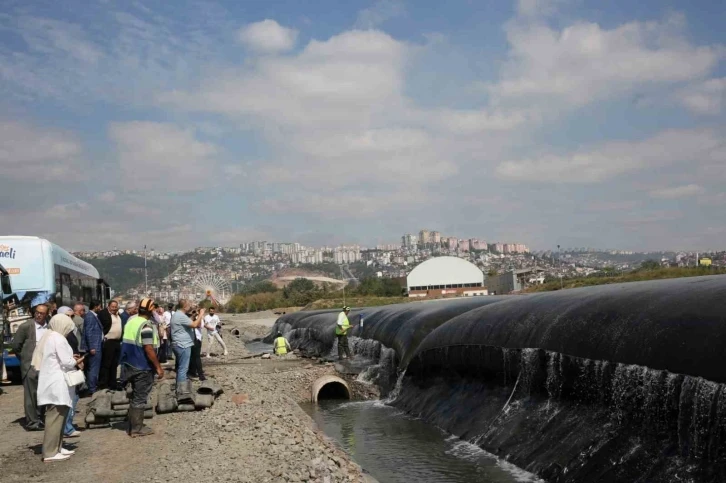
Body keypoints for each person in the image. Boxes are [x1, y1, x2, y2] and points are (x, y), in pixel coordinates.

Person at [33, 314, 84, 462]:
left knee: (60, 417)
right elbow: (67, 362)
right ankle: (50, 452)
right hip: (57, 383)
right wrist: (78, 360)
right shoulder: (59, 339)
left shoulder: (52, 336)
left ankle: (57, 447)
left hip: (55, 382)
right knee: (55, 418)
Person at [120, 298, 164, 437]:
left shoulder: (131, 322)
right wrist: (158, 367)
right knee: (140, 397)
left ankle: (133, 424)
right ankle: (137, 428)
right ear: (150, 310)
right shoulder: (146, 325)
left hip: (128, 363)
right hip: (142, 365)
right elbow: (149, 348)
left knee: (134, 396)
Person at [11, 303, 49, 430]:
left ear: (47, 314)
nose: (38, 315)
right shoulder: (26, 326)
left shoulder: (49, 327)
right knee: (31, 396)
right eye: (37, 312)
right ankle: (32, 422)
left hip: (46, 365)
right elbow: (16, 346)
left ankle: (40, 418)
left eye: (42, 313)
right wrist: (25, 359)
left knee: (43, 394)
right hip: (30, 365)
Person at [57, 307, 82, 438]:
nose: (71, 319)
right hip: (66, 371)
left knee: (74, 398)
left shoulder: (69, 331)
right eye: (68, 316)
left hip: (73, 367)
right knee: (68, 400)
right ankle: (67, 428)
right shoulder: (59, 335)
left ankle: (68, 425)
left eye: (72, 316)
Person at [170, 300, 204, 386]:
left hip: (179, 343)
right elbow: (194, 325)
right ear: (185, 307)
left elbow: (188, 322)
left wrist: (193, 316)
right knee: (183, 368)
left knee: (181, 367)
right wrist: (201, 314)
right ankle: (182, 389)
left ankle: (181, 385)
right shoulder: (181, 316)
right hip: (183, 344)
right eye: (189, 305)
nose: (190, 307)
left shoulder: (177, 315)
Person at [98, 300, 122, 390]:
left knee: (114, 364)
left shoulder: (118, 315)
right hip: (108, 342)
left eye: (116, 307)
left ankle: (113, 383)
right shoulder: (104, 314)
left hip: (117, 342)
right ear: (108, 306)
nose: (114, 308)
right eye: (112, 307)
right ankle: (104, 384)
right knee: (106, 364)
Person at [81, 300, 103, 394]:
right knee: (93, 368)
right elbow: (89, 332)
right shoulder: (90, 316)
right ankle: (92, 389)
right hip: (94, 346)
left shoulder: (93, 315)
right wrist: (92, 347)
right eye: (99, 306)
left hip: (97, 344)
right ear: (96, 306)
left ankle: (92, 386)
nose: (100, 308)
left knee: (94, 368)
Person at [188, 306, 206, 381]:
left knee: (197, 357)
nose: (195, 313)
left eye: (196, 311)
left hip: (197, 339)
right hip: (190, 339)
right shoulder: (189, 317)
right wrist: (192, 315)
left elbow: (199, 325)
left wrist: (199, 315)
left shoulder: (200, 319)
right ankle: (192, 372)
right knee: (191, 357)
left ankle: (200, 374)